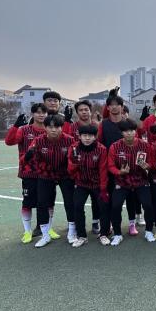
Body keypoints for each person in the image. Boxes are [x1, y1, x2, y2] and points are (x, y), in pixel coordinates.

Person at [25, 114, 76, 248]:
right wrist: (45, 170)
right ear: (45, 128)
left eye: (57, 127)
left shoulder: (70, 141)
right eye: (50, 127)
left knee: (70, 202)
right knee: (42, 203)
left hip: (65, 175)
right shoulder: (38, 141)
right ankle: (45, 235)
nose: (54, 130)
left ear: (62, 127)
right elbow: (34, 160)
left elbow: (74, 161)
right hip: (45, 174)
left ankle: (72, 232)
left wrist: (70, 172)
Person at [5, 103, 48, 243]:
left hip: (46, 173)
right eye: (38, 112)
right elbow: (9, 141)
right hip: (28, 172)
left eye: (44, 112)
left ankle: (45, 228)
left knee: (45, 202)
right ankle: (27, 231)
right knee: (28, 202)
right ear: (33, 114)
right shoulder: (24, 130)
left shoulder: (49, 130)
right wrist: (15, 126)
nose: (41, 115)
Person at [107, 118, 155, 246]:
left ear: (135, 131)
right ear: (121, 132)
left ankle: (149, 231)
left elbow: (151, 163)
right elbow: (111, 166)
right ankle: (117, 234)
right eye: (126, 131)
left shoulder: (144, 145)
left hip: (140, 180)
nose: (129, 133)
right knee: (116, 206)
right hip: (122, 181)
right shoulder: (115, 146)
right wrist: (119, 172)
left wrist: (147, 166)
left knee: (148, 205)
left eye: (132, 130)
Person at [67, 124, 109, 247]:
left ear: (95, 136)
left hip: (97, 184)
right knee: (77, 206)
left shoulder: (101, 149)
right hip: (81, 183)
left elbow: (103, 170)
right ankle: (82, 236)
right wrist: (75, 163)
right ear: (79, 136)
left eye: (90, 135)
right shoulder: (74, 148)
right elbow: (70, 170)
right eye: (84, 135)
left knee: (104, 206)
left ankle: (104, 234)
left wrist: (103, 189)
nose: (87, 138)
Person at [63, 99, 102, 233]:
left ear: (90, 111)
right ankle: (77, 227)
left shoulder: (97, 125)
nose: (84, 112)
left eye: (86, 109)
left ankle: (96, 222)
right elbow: (66, 140)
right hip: (78, 168)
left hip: (95, 167)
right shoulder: (73, 127)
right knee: (77, 201)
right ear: (77, 112)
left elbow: (100, 145)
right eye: (81, 110)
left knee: (97, 200)